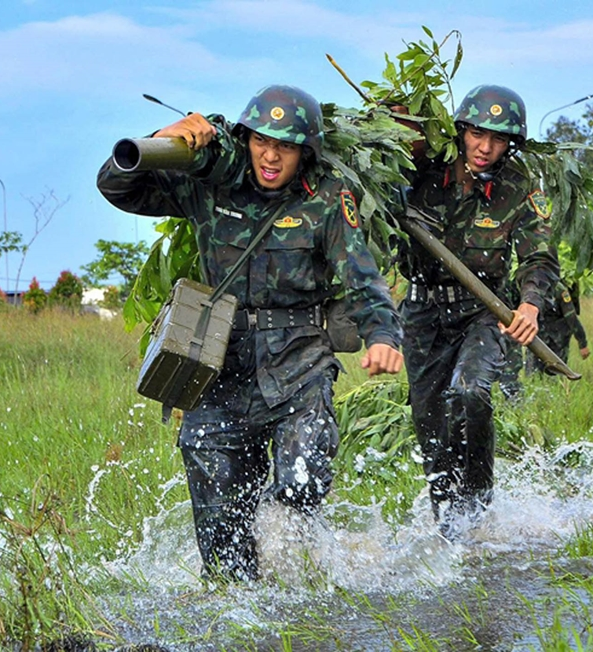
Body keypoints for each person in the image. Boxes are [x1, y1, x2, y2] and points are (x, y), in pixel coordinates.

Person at [97, 85, 404, 581]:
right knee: (219, 527)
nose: (270, 155)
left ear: (305, 152)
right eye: (262, 142)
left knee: (301, 482)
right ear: (246, 140)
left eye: (284, 146)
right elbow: (118, 187)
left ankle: (300, 574)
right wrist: (162, 136)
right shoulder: (209, 184)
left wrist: (383, 336)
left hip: (299, 363)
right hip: (221, 363)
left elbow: (362, 279)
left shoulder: (327, 199)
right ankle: (239, 603)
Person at [397, 85, 560, 536]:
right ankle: (446, 524)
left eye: (498, 139)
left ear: (511, 145)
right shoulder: (426, 168)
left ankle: (478, 507)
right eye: (476, 134)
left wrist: (528, 305)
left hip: (484, 312)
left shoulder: (520, 187)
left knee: (468, 393)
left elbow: (540, 257)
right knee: (430, 420)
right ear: (462, 131)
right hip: (422, 312)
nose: (485, 147)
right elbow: (387, 145)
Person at [525, 278, 590, 376]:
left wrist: (582, 343)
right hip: (539, 335)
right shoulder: (531, 287)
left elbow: (571, 317)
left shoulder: (558, 289)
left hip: (556, 337)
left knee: (551, 374)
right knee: (535, 375)